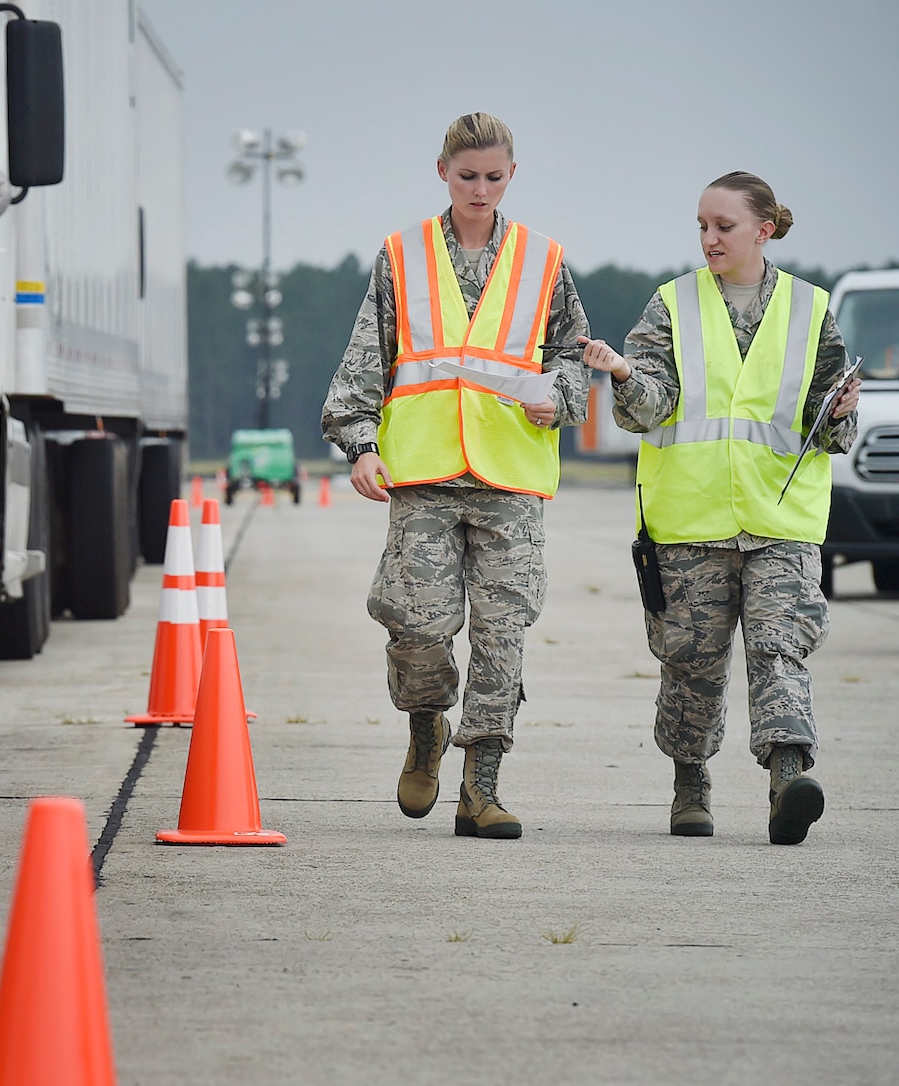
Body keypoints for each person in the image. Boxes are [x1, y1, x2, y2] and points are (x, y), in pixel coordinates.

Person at [322, 112, 590, 839]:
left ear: (511, 176)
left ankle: (482, 787)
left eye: (493, 177)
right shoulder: (401, 256)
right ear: (442, 171)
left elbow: (573, 357)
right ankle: (425, 726)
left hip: (509, 475)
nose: (480, 188)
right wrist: (360, 444)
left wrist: (557, 397)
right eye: (467, 175)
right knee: (416, 625)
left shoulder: (545, 261)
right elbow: (365, 359)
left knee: (503, 636)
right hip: (424, 473)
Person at [580, 172, 858, 845]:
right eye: (702, 225)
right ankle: (690, 782)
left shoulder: (811, 310)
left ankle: (788, 775)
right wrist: (622, 375)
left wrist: (842, 414)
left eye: (723, 227)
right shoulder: (671, 306)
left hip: (780, 519)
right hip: (690, 521)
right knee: (692, 666)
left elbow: (833, 426)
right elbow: (650, 408)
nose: (709, 238)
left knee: (779, 650)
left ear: (763, 229)